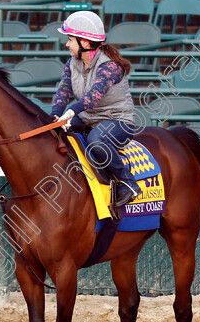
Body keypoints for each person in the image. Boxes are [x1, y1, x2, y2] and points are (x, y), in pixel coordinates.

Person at [51, 10, 142, 208]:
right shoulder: (71, 64)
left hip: (118, 121)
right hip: (87, 118)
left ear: (84, 42)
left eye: (69, 39)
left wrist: (71, 112)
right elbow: (62, 93)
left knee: (95, 141)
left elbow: (93, 97)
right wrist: (54, 116)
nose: (66, 44)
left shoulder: (110, 67)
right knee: (53, 133)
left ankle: (129, 183)